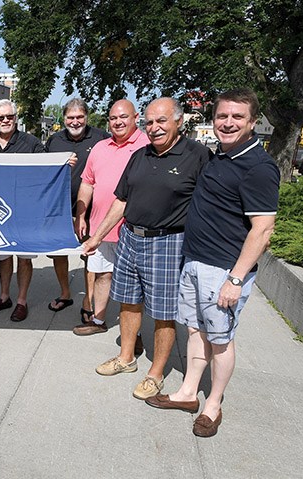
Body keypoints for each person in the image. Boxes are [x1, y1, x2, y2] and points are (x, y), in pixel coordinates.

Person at [145, 89, 279, 437]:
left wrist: (235, 280)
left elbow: (263, 230)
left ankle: (213, 405)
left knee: (221, 340)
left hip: (224, 271)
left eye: (238, 117)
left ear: (252, 122)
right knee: (195, 332)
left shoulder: (259, 167)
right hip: (194, 263)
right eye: (222, 116)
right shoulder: (219, 157)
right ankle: (189, 393)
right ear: (213, 119)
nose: (228, 123)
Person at [84, 97, 212, 400]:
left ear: (179, 122)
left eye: (162, 121)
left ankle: (155, 374)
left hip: (169, 241)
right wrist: (97, 236)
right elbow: (121, 201)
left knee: (164, 312)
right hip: (130, 237)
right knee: (128, 302)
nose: (154, 128)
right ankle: (126, 358)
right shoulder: (140, 155)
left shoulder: (198, 155)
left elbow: (212, 205)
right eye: (150, 122)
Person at [72, 100, 149, 347]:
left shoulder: (147, 146)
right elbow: (87, 182)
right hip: (99, 227)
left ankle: (133, 334)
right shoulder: (100, 147)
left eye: (123, 117)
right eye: (113, 118)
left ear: (136, 117)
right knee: (103, 275)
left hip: (133, 228)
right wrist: (81, 214)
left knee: (132, 284)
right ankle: (98, 319)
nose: (118, 122)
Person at [45, 99, 110, 320]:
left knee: (90, 255)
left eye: (79, 117)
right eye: (70, 117)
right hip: (60, 210)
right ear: (64, 119)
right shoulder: (53, 140)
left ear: (87, 117)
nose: (75, 121)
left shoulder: (102, 138)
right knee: (58, 253)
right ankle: (65, 293)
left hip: (92, 210)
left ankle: (88, 300)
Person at [0, 99, 44, 322]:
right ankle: (4, 296)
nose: (5, 121)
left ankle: (21, 301)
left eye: (9, 117)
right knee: (3, 257)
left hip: (25, 213)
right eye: (0, 118)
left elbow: (47, 172)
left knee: (24, 258)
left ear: (16, 118)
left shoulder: (32, 144)